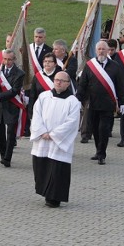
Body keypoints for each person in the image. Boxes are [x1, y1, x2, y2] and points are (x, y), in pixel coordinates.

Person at [30, 72, 81, 208]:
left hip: (58, 142)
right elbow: (36, 115)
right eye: (56, 80)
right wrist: (41, 131)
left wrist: (53, 134)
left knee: (57, 170)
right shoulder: (44, 96)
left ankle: (54, 198)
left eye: (62, 81)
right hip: (42, 139)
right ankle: (44, 192)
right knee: (42, 167)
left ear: (68, 84)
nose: (58, 82)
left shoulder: (73, 101)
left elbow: (72, 123)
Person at [76, 40, 124, 165]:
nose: (101, 51)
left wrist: (122, 102)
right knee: (95, 129)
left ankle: (102, 154)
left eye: (104, 49)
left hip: (108, 104)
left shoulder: (115, 66)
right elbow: (82, 84)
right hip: (92, 103)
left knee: (103, 129)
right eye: (99, 49)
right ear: (96, 51)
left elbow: (120, 86)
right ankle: (98, 151)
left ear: (108, 50)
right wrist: (78, 99)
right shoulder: (90, 65)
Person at [0, 49, 26, 167]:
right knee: (0, 133)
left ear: (14, 60)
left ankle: (7, 158)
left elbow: (14, 91)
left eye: (9, 59)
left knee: (10, 133)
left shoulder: (20, 73)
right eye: (4, 59)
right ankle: (2, 154)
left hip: (11, 106)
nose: (6, 62)